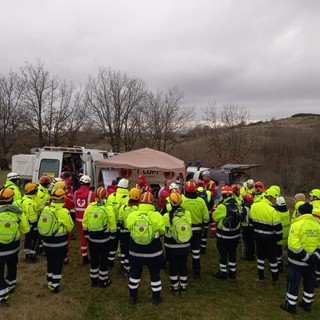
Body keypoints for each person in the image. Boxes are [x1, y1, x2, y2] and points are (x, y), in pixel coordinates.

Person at [280, 202, 320, 314]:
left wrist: (306, 257)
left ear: (300, 212)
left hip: (297, 263)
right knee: (309, 283)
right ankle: (307, 304)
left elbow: (294, 245)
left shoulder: (296, 225)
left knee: (293, 283)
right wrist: (314, 257)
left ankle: (290, 306)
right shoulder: (317, 225)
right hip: (312, 263)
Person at [126, 191, 165, 305]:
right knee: (155, 275)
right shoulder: (156, 215)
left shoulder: (132, 215)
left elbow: (128, 227)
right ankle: (156, 298)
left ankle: (133, 297)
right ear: (152, 202)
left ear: (140, 201)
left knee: (134, 274)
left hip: (135, 251)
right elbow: (162, 230)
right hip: (154, 252)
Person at [38, 188, 74, 293]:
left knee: (50, 262)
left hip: (47, 243)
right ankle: (55, 286)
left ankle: (49, 282)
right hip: (59, 243)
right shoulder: (63, 211)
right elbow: (70, 227)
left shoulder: (46, 209)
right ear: (63, 199)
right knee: (58, 264)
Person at [0, 188, 30, 309]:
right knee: (12, 266)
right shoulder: (18, 212)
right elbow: (26, 229)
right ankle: (11, 286)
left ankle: (3, 296)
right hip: (13, 248)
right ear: (12, 199)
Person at [82, 187, 116, 288]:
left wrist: (87, 235)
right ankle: (103, 280)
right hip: (105, 239)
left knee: (94, 259)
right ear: (105, 196)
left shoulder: (89, 207)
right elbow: (112, 224)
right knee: (104, 260)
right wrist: (112, 236)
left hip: (92, 239)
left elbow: (85, 222)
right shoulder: (108, 208)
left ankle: (93, 280)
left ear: (95, 196)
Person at [249, 188, 283, 285]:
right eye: (275, 199)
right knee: (273, 259)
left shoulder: (254, 206)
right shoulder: (272, 211)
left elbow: (251, 223)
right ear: (270, 197)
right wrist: (278, 238)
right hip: (270, 239)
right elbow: (278, 229)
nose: (276, 201)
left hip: (258, 237)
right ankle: (275, 279)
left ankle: (261, 278)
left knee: (260, 258)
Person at [163, 192, 192, 295]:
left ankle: (174, 287)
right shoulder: (187, 214)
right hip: (185, 245)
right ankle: (183, 286)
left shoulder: (167, 216)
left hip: (171, 247)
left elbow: (163, 230)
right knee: (183, 265)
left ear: (170, 203)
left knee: (173, 266)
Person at [181, 180, 209, 278]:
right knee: (196, 251)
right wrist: (205, 228)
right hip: (197, 230)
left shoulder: (182, 199)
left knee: (184, 251)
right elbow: (206, 217)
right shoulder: (201, 201)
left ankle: (183, 270)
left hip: (184, 230)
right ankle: (197, 271)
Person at [213, 185, 241, 280]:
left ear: (223, 195)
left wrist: (218, 206)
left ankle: (223, 272)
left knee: (223, 254)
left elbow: (214, 217)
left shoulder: (222, 207)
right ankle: (233, 272)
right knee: (233, 253)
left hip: (223, 236)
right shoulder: (238, 205)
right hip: (235, 235)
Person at [107, 178, 130, 267]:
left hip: (112, 225)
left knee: (112, 243)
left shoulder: (111, 196)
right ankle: (123, 262)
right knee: (124, 245)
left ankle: (110, 260)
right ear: (127, 187)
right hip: (123, 225)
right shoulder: (128, 198)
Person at [74, 175, 95, 264]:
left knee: (82, 237)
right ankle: (90, 256)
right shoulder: (91, 194)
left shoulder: (75, 193)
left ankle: (84, 255)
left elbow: (74, 204)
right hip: (88, 220)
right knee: (90, 238)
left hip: (78, 219)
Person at [118, 187, 140, 274]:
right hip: (132, 233)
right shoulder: (138, 209)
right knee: (130, 249)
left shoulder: (123, 207)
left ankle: (123, 264)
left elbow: (119, 219)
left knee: (123, 248)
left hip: (123, 232)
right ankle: (129, 265)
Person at [18, 183, 39, 263]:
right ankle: (32, 256)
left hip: (26, 225)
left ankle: (27, 255)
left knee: (28, 239)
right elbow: (32, 217)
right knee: (35, 239)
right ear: (33, 191)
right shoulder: (30, 202)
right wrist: (36, 227)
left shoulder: (24, 199)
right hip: (31, 225)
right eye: (36, 190)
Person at [36, 175, 52, 255]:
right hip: (40, 215)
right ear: (46, 184)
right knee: (40, 233)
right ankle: (40, 249)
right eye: (48, 183)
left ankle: (41, 248)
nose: (49, 185)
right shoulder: (41, 193)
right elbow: (39, 206)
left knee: (42, 233)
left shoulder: (44, 191)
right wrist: (47, 206)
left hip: (43, 214)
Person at [275, 196, 290, 272]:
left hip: (279, 235)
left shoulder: (277, 213)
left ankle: (279, 265)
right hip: (285, 236)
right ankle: (280, 263)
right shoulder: (287, 211)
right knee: (279, 250)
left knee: (277, 251)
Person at [309, 189, 320, 287]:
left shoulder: (311, 207)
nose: (309, 197)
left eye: (311, 196)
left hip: (313, 235)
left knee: (313, 258)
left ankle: (313, 279)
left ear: (315, 197)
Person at [240, 193, 255, 261]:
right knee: (251, 242)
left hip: (245, 227)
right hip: (251, 227)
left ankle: (247, 256)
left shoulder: (245, 208)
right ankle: (252, 255)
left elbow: (241, 218)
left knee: (246, 243)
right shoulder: (252, 206)